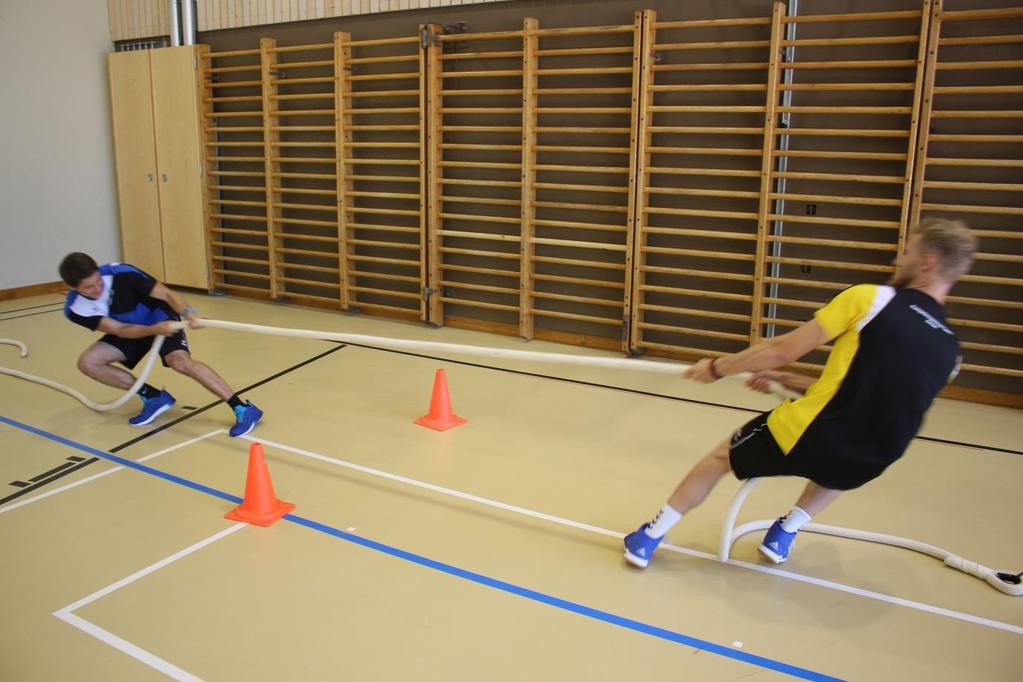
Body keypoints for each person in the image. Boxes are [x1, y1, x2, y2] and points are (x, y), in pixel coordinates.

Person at [623, 218, 977, 568]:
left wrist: (716, 368)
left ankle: (649, 537)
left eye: (906, 252)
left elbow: (781, 348)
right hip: (873, 459)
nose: (897, 261)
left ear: (927, 261)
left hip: (812, 435)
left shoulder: (873, 299)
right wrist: (784, 380)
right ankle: (785, 532)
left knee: (720, 459)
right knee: (838, 469)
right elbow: (864, 391)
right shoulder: (951, 351)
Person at [59, 252, 262, 437]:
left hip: (161, 316)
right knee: (88, 362)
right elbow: (119, 330)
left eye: (97, 281)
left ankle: (242, 408)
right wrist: (153, 330)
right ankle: (153, 397)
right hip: (131, 329)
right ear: (72, 287)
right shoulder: (75, 308)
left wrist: (187, 311)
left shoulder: (121, 273)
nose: (97, 289)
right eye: (88, 287)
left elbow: (167, 294)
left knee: (179, 362)